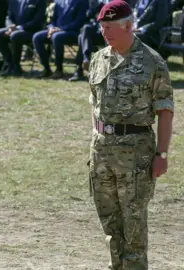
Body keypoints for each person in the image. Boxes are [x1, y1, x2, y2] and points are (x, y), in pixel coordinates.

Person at [88, 1, 174, 269]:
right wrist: (95, 137)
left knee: (133, 225)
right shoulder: (98, 59)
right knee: (110, 224)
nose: (105, 33)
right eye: (102, 27)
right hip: (102, 152)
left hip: (136, 155)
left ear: (129, 26)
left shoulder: (152, 62)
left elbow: (165, 112)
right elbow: (94, 103)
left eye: (110, 27)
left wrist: (161, 154)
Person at [32, 0, 88, 79]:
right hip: (56, 31)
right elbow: (53, 19)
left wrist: (61, 29)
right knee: (37, 37)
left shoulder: (82, 2)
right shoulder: (58, 1)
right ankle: (46, 69)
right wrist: (51, 28)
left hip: (73, 32)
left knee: (57, 37)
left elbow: (79, 21)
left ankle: (59, 70)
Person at [0, 0, 46, 76]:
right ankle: (9, 63)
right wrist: (10, 26)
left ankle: (16, 66)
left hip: (31, 31)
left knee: (15, 35)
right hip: (14, 29)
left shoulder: (39, 2)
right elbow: (8, 17)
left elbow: (38, 20)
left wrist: (20, 27)